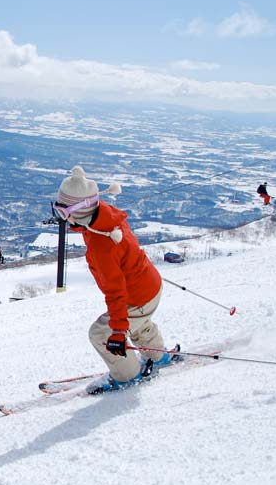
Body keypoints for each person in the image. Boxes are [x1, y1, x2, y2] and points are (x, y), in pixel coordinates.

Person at [53, 166, 175, 395]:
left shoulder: (103, 245)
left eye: (62, 211)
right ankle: (158, 357)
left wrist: (118, 333)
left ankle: (128, 375)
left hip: (136, 296)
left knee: (100, 334)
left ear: (78, 210)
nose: (61, 216)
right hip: (149, 286)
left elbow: (116, 293)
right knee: (140, 323)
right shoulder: (104, 215)